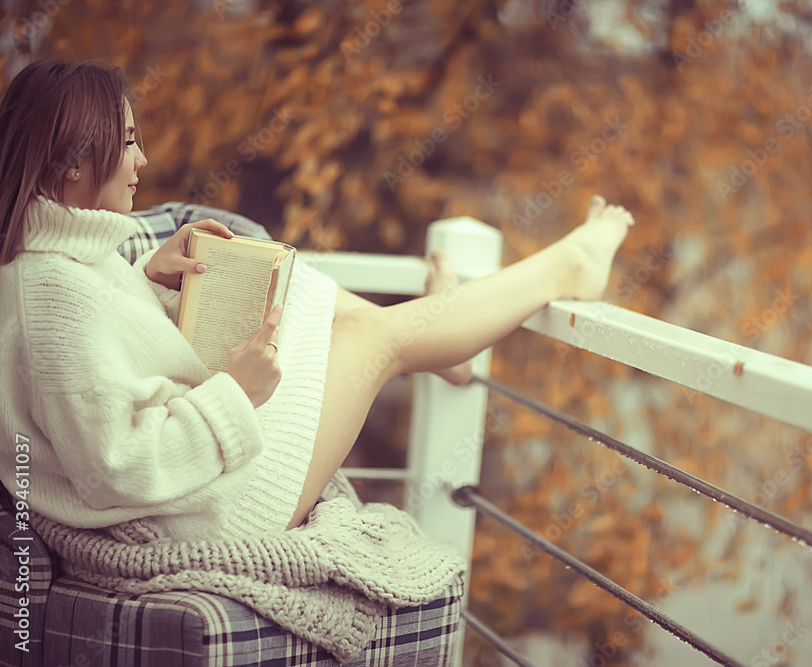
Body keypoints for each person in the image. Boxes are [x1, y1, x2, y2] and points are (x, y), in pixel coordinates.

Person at [0, 58, 635, 543]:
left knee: (291, 282)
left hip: (191, 493)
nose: (143, 157)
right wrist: (236, 393)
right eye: (129, 140)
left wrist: (145, 279)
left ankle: (443, 342)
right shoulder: (52, 300)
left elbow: (93, 380)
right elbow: (116, 468)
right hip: (205, 516)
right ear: (74, 162)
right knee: (374, 341)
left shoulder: (59, 261)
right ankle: (561, 269)